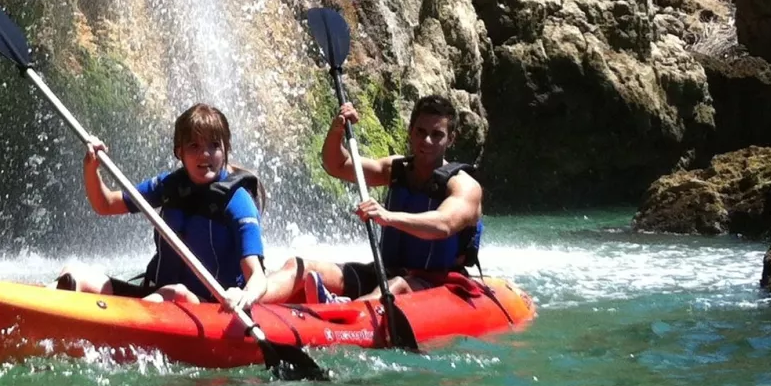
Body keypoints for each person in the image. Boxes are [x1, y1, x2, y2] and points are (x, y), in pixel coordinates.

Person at [55, 103, 271, 313]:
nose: (205, 154)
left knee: (174, 292)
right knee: (74, 273)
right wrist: (91, 168)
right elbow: (105, 204)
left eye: (214, 145)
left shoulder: (238, 202)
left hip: (209, 307)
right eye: (194, 146)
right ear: (179, 152)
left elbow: (257, 278)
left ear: (225, 150)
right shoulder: (168, 186)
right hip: (155, 297)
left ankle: (117, 327)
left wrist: (244, 297)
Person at [281, 94, 483, 301]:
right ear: (410, 132)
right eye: (420, 132)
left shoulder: (464, 186)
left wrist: (387, 216)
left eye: (437, 134)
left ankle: (339, 313)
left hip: (436, 283)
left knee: (395, 286)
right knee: (298, 267)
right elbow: (337, 165)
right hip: (387, 272)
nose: (427, 141)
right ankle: (251, 300)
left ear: (450, 139)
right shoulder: (396, 169)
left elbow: (444, 225)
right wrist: (337, 130)